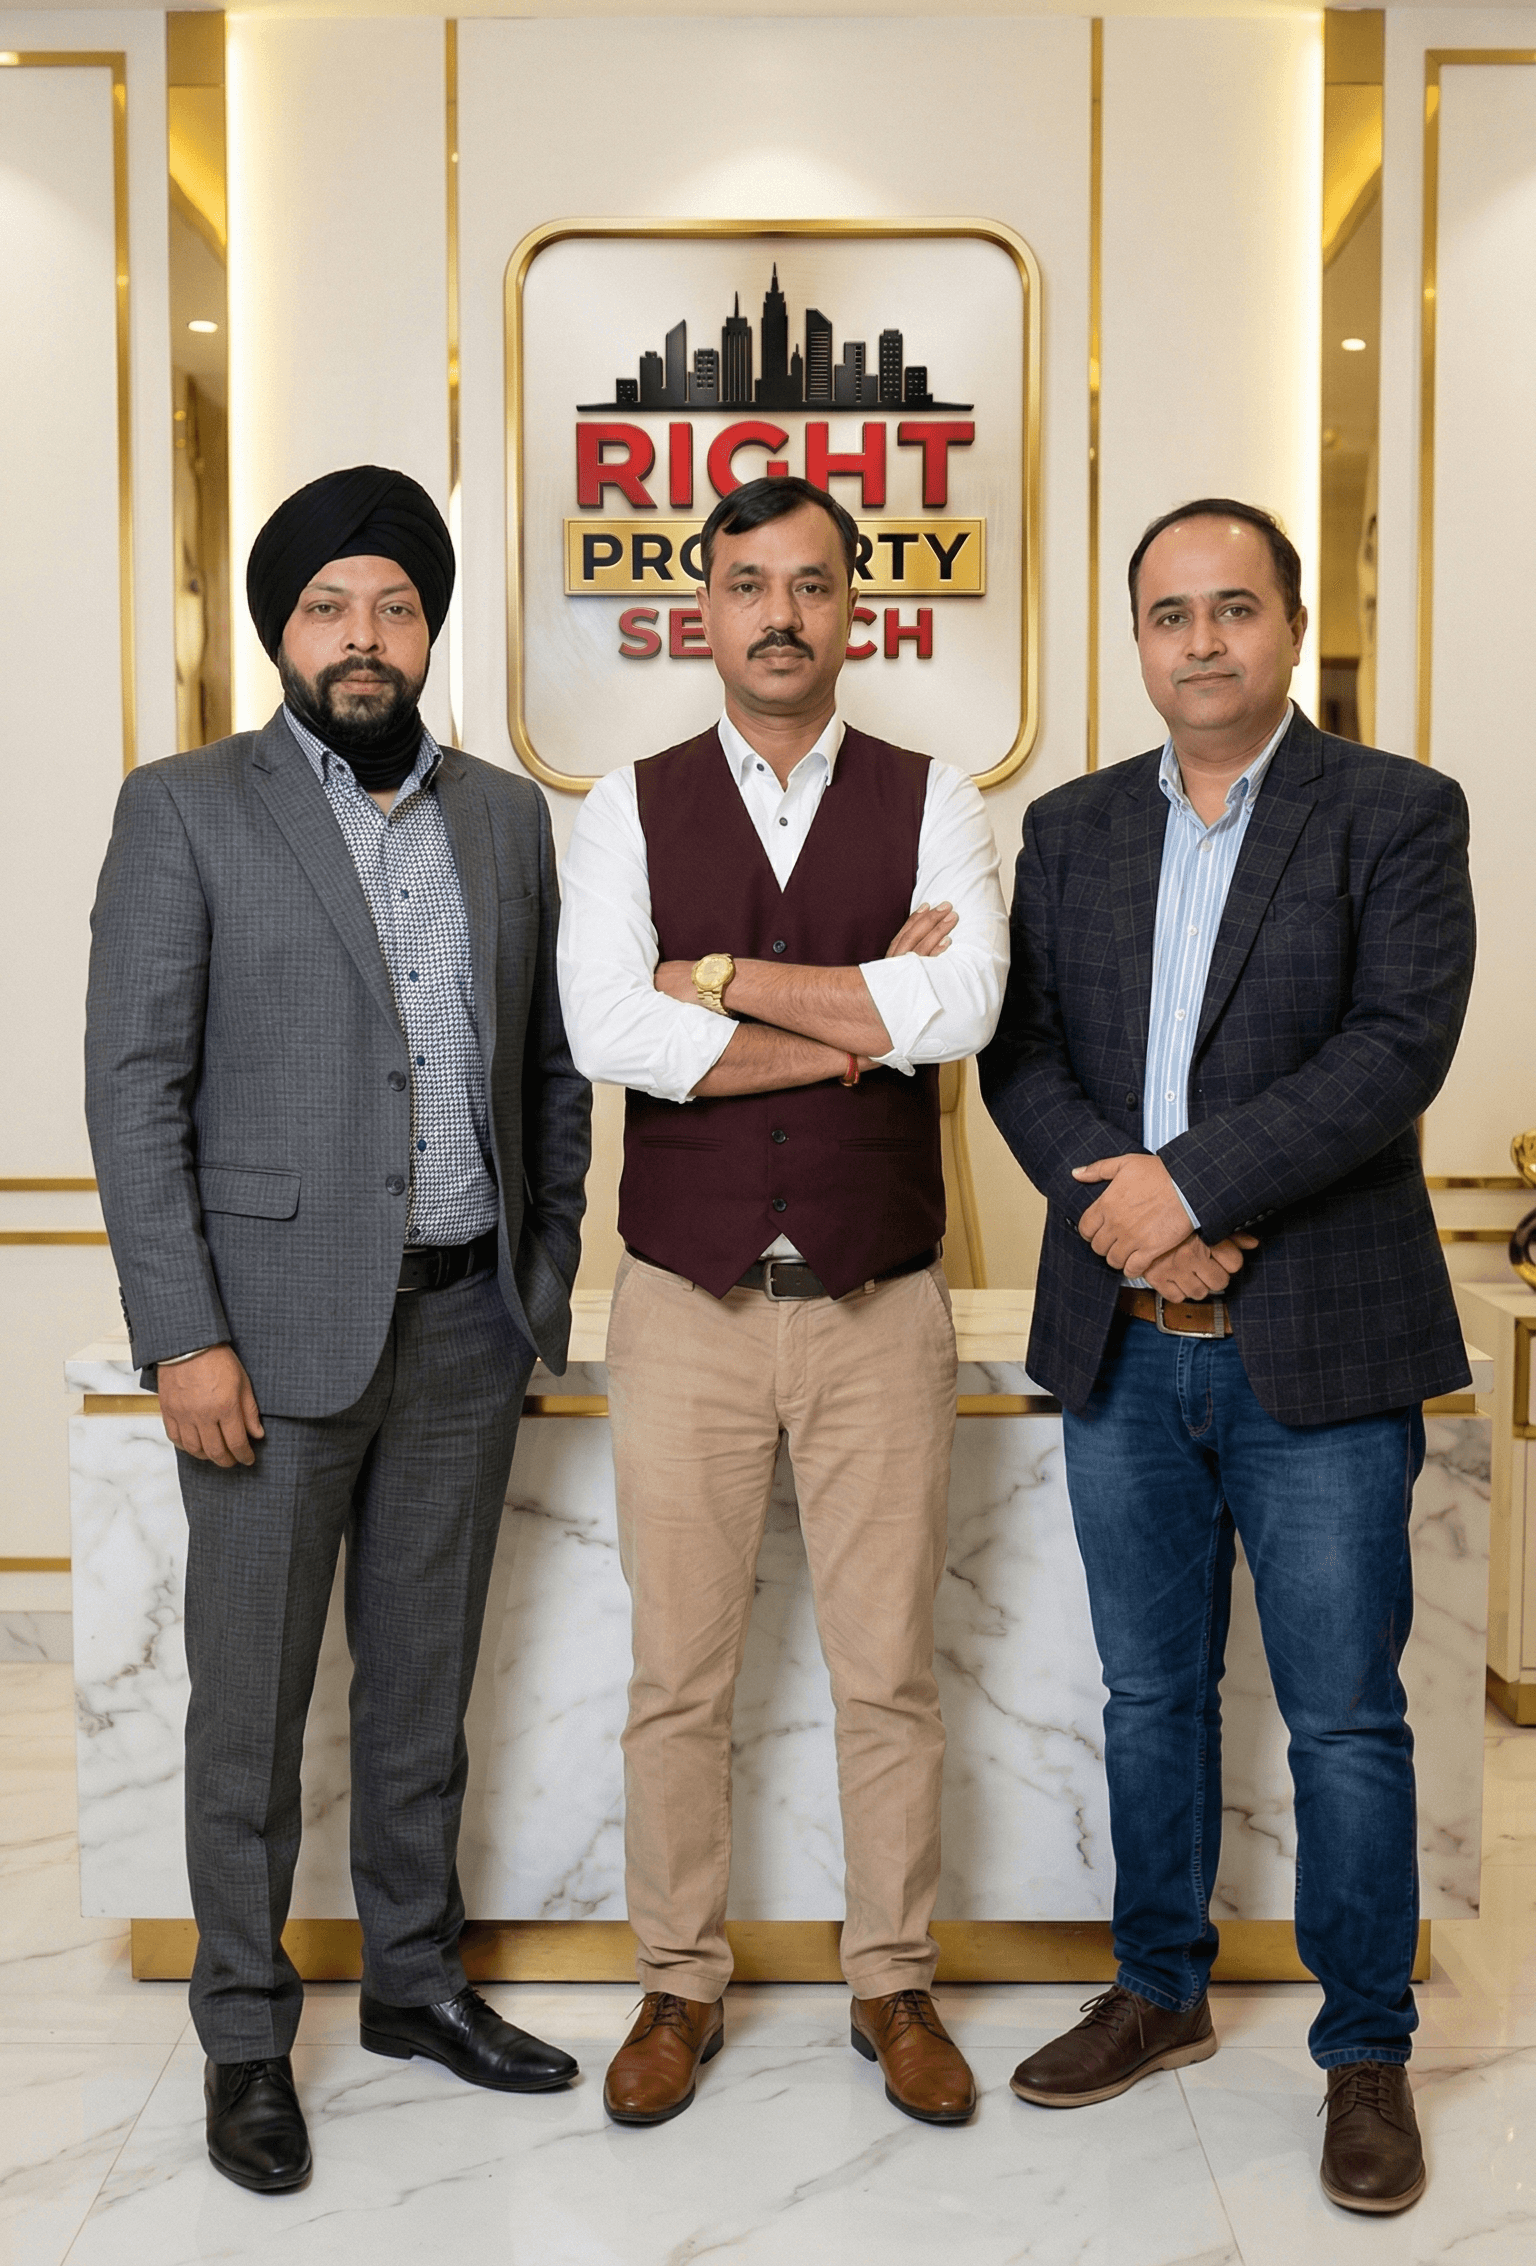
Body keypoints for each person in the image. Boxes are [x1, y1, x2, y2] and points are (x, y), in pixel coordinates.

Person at [85, 466, 591, 2194]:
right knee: (248, 1707)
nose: (360, 639)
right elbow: (135, 1089)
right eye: (326, 608)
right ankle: (243, 2031)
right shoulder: (186, 807)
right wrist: (182, 1335)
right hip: (266, 1348)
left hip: (464, 1333)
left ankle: (413, 1983)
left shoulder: (511, 819)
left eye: (390, 606)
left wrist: (543, 1289)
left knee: (420, 1693)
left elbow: (548, 1074)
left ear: (429, 628)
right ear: (280, 632)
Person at [981, 499, 1474, 2214]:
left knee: (1345, 1718)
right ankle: (1162, 1990)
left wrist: (1195, 1184)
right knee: (1149, 1695)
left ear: (1288, 624)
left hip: (1322, 1346)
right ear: (1137, 639)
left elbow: (1395, 1046)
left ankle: (1365, 2051)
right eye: (1170, 614)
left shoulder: (1397, 813)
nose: (1202, 640)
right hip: (1124, 1346)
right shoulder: (1069, 828)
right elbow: (1021, 1053)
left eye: (1235, 609)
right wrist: (1132, 1214)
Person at [557, 474, 1007, 2128]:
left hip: (880, 1302)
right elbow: (614, 1028)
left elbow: (957, 1004)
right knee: (677, 1673)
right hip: (683, 1305)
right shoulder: (626, 804)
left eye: (811, 584)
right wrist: (854, 1018)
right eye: (748, 584)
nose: (780, 615)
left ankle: (893, 1981)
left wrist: (730, 984)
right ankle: (679, 1981)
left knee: (886, 1670)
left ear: (855, 608)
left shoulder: (935, 791)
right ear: (704, 610)